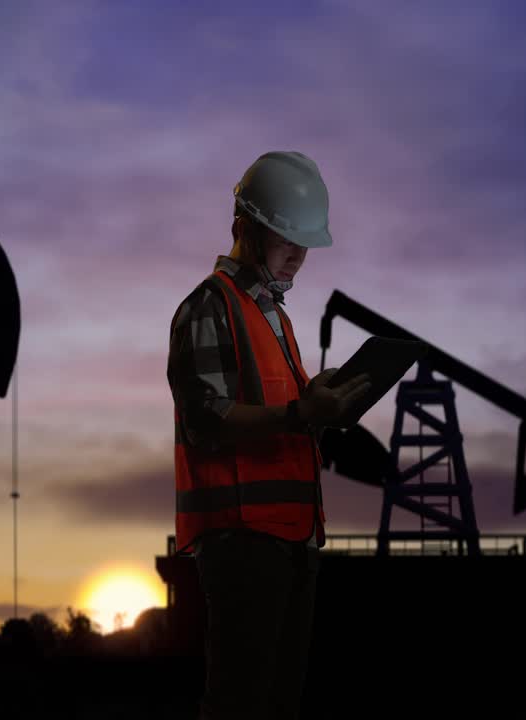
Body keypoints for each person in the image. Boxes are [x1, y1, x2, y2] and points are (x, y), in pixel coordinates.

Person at [166, 150, 371, 720]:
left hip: (289, 537)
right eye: (285, 238)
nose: (298, 256)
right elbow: (206, 418)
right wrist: (301, 414)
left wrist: (321, 400)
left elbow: (281, 411)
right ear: (242, 229)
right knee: (241, 703)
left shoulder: (273, 317)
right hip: (242, 541)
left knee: (276, 705)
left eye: (305, 243)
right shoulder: (210, 306)